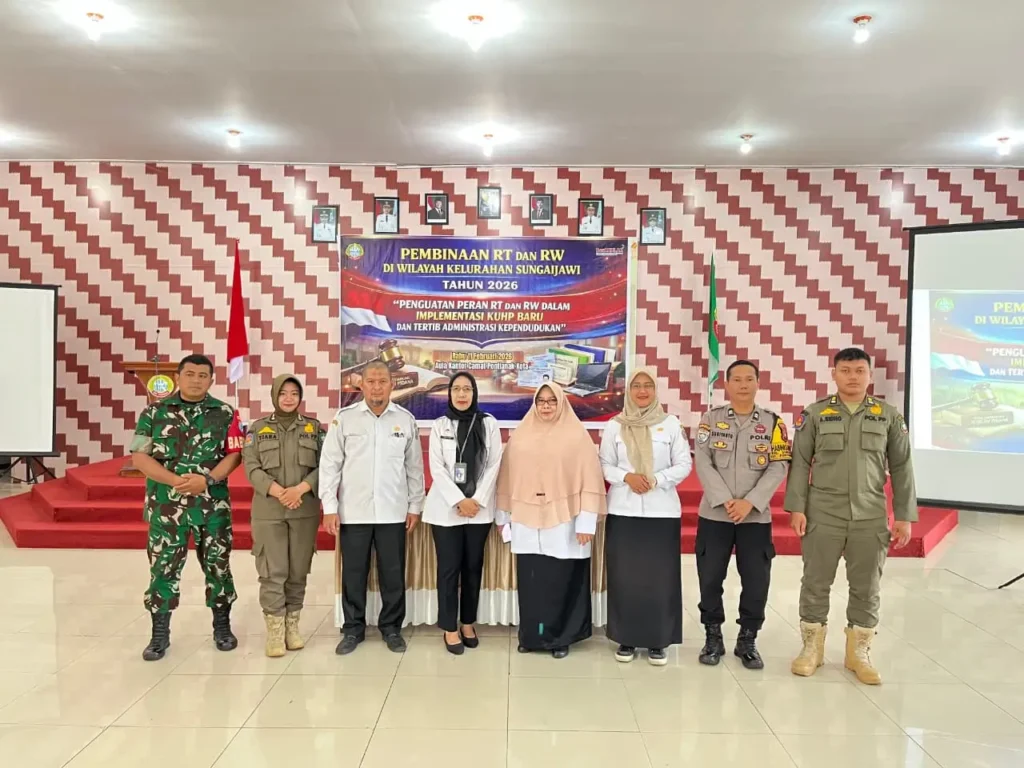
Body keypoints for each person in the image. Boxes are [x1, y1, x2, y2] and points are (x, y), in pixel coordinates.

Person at [785, 348, 917, 685]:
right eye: (846, 370)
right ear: (834, 374)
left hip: (870, 514)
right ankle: (811, 649)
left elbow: (902, 467)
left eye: (860, 370)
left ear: (870, 375)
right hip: (823, 512)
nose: (853, 377)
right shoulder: (815, 414)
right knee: (815, 582)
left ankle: (858, 652)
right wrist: (797, 507)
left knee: (867, 586)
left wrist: (903, 515)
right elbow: (800, 463)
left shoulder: (887, 416)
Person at [130, 354, 245, 661]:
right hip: (167, 507)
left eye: (203, 375)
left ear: (211, 380)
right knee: (163, 570)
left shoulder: (225, 413)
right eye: (190, 374)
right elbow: (140, 458)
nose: (196, 380)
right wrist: (177, 481)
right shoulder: (154, 412)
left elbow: (235, 455)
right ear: (178, 377)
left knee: (219, 568)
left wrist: (206, 480)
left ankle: (222, 628)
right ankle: (159, 635)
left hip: (212, 506)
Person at [319, 360, 425, 655]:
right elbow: (330, 466)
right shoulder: (345, 419)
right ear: (361, 385)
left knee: (393, 574)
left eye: (383, 381)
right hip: (354, 512)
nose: (377, 387)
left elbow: (414, 467)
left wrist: (415, 505)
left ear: (393, 384)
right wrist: (329, 506)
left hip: (393, 512)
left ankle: (391, 628)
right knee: (354, 573)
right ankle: (353, 629)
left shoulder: (404, 420)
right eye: (371, 381)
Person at [495, 383, 607, 658]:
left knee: (561, 581)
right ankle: (532, 636)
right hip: (525, 520)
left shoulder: (576, 437)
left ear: (561, 404)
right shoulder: (521, 436)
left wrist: (586, 522)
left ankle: (560, 638)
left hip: (565, 523)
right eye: (541, 401)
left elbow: (590, 480)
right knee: (532, 582)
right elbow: (507, 478)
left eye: (551, 401)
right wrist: (503, 517)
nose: (545, 406)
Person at [693, 360, 791, 669]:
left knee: (756, 580)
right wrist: (724, 500)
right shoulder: (711, 419)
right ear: (727, 384)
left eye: (750, 379)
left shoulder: (774, 423)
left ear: (758, 383)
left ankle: (747, 639)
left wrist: (750, 502)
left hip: (755, 518)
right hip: (715, 515)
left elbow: (779, 465)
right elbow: (703, 462)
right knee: (710, 578)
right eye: (737, 379)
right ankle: (713, 636)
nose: (744, 384)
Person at [599, 369, 692, 665]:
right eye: (636, 386)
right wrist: (627, 476)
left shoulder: (670, 424)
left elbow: (684, 463)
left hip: (661, 512)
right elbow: (603, 464)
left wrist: (655, 479)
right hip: (623, 511)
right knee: (625, 577)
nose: (642, 391)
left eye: (647, 385)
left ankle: (657, 639)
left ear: (655, 390)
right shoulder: (615, 425)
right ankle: (625, 638)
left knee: (659, 579)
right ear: (628, 391)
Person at [241, 374, 323, 658]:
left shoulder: (314, 429)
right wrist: (279, 492)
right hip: (269, 512)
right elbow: (251, 467)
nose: (288, 398)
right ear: (274, 395)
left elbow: (327, 465)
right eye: (283, 393)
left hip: (304, 511)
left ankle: (292, 627)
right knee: (272, 572)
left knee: (298, 572)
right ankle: (274, 632)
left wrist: (301, 489)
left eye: (294, 393)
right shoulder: (258, 428)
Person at [424, 373, 504, 654]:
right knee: (448, 570)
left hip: (478, 511)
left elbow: (494, 464)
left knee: (472, 568)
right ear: (449, 393)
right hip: (446, 510)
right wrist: (459, 499)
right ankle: (449, 626)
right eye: (456, 389)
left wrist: (477, 499)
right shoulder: (439, 425)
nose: (461, 394)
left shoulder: (488, 424)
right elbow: (437, 468)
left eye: (467, 389)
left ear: (474, 393)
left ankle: (468, 622)